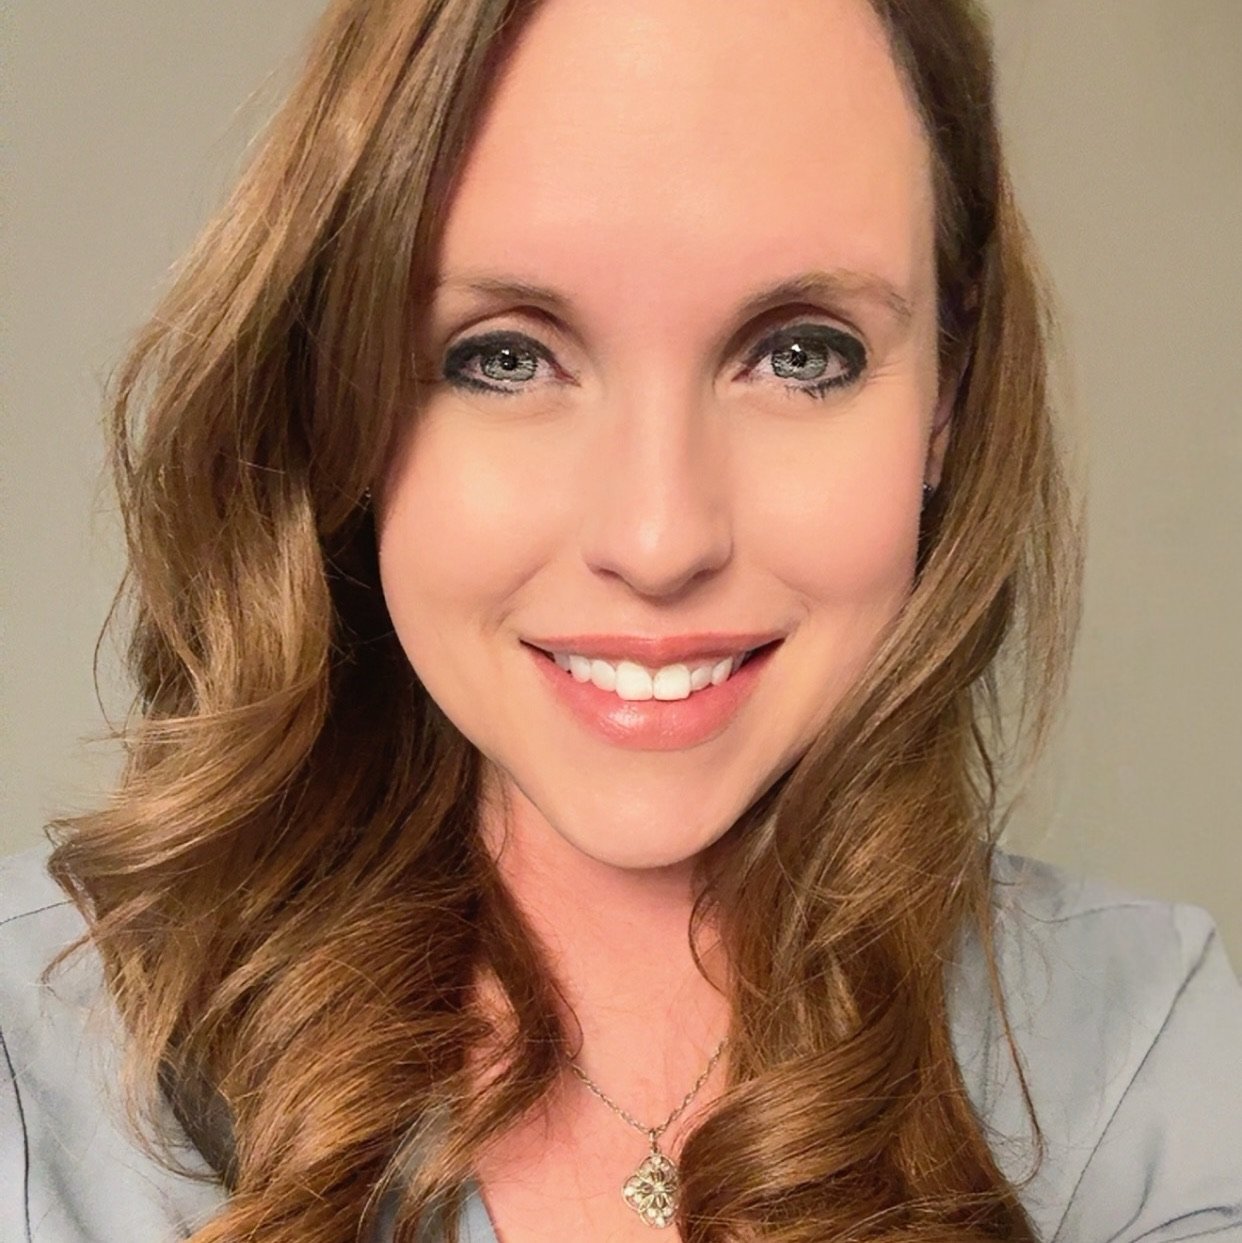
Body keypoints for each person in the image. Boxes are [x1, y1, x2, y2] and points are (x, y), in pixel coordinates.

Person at [2, 0, 1240, 1240]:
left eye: (802, 353)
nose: (659, 540)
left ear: (946, 399)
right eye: (503, 357)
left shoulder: (1136, 1055)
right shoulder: (35, 1054)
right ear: (339, 397)